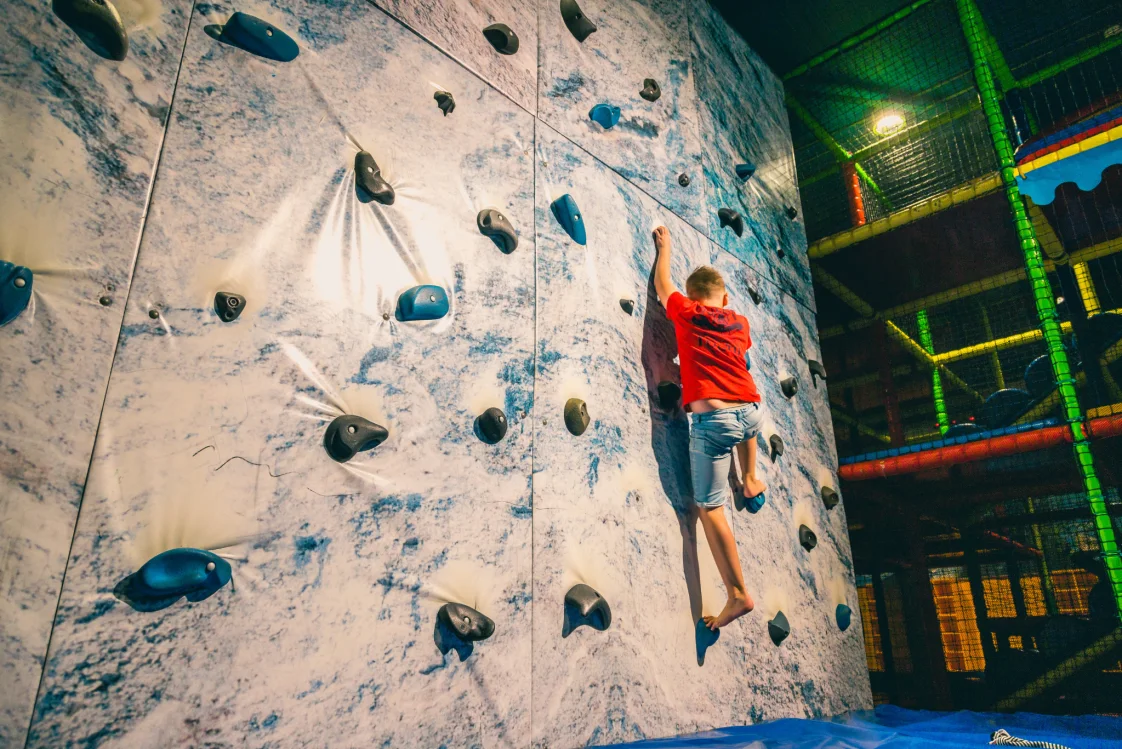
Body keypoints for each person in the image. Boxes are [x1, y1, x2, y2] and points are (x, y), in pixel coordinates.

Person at [651, 225, 764, 630]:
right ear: (726, 299)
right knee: (746, 410)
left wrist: (665, 248)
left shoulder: (685, 311)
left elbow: (663, 284)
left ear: (693, 297)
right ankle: (750, 478)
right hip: (751, 412)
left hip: (714, 421)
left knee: (709, 507)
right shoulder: (740, 323)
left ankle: (737, 594)